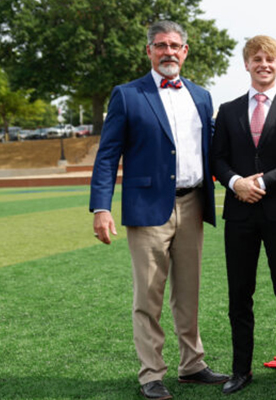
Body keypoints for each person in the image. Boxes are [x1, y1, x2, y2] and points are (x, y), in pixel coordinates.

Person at [89, 20, 228, 400]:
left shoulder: (201, 96)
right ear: (149, 50)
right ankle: (151, 373)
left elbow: (214, 149)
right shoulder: (127, 95)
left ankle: (192, 365)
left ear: (185, 52)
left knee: (189, 292)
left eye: (175, 45)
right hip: (148, 208)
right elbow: (106, 157)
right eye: (160, 45)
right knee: (148, 295)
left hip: (194, 203)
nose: (168, 51)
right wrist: (101, 207)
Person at [210, 35, 276, 394]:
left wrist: (264, 183)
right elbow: (217, 159)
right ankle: (241, 370)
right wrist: (237, 182)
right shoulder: (228, 110)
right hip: (239, 215)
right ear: (246, 64)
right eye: (257, 59)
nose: (263, 64)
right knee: (240, 294)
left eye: (270, 59)